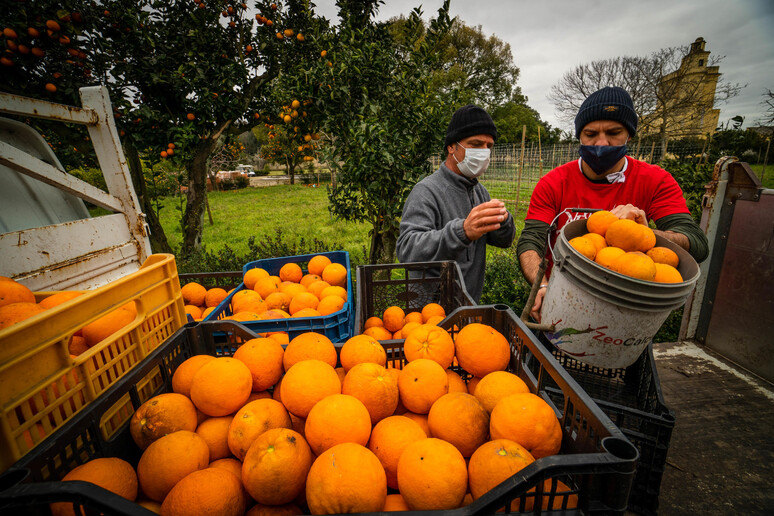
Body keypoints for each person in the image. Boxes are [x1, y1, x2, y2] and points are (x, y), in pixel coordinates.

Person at [517, 86, 709, 321]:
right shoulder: (554, 183)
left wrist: (644, 234)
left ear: (629, 135)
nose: (601, 143)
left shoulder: (655, 181)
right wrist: (543, 287)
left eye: (613, 132)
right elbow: (530, 241)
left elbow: (697, 242)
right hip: (562, 300)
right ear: (579, 135)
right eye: (590, 134)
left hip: (626, 309)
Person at [397, 104, 515, 303]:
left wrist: (503, 220)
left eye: (489, 146)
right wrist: (462, 232)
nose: (484, 152)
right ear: (452, 147)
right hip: (429, 313)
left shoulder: (480, 192)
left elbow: (504, 241)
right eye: (476, 144)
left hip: (467, 306)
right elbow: (407, 249)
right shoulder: (427, 191)